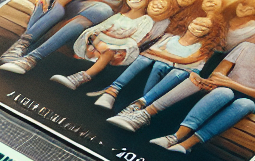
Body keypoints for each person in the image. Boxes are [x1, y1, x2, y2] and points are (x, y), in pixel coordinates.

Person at [111, 30, 255, 152]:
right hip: (222, 89)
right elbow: (219, 75)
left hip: (250, 101)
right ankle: (157, 125)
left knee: (243, 102)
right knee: (213, 88)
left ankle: (186, 143)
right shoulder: (247, 47)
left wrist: (235, 85)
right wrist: (216, 83)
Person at [0, 0, 163, 73]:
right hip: (65, 3)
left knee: (101, 11)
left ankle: (30, 59)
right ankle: (21, 45)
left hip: (85, 19)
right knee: (59, 12)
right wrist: (56, 7)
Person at [91, 14, 227, 111]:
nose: (199, 27)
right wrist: (169, 58)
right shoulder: (170, 38)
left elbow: (187, 61)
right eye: (196, 23)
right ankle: (112, 91)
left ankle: (141, 104)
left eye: (205, 26)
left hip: (178, 74)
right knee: (151, 62)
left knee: (165, 65)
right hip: (160, 67)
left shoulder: (204, 47)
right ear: (189, 23)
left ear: (210, 31)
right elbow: (148, 52)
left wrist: (163, 56)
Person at [51, 0, 159, 90]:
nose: (134, 0)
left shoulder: (145, 20)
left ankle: (81, 78)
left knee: (108, 50)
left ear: (147, 2)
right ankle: (81, 60)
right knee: (94, 41)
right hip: (102, 40)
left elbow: (136, 38)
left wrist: (115, 37)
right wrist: (96, 34)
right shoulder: (119, 16)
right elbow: (101, 27)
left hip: (121, 46)